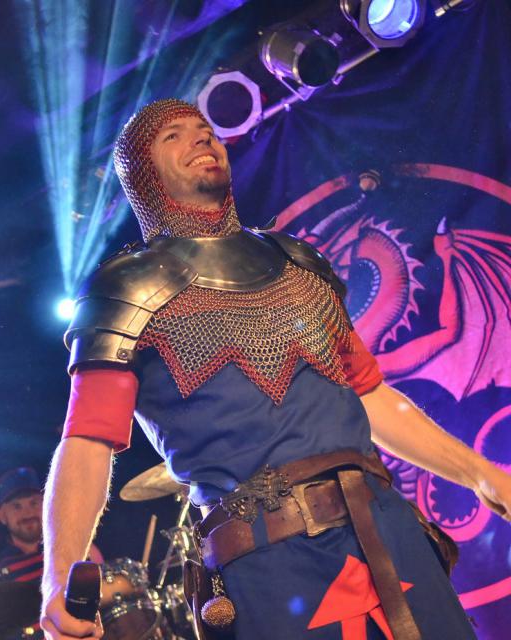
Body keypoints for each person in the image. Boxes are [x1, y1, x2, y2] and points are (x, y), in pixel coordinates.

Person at [40, 99, 511, 640]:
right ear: (142, 176)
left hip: (386, 527)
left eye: (205, 128)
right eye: (174, 135)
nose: (201, 138)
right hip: (269, 559)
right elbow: (87, 442)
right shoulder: (127, 290)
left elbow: (372, 397)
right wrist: (58, 577)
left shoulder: (299, 265)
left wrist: (479, 473)